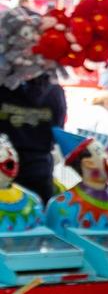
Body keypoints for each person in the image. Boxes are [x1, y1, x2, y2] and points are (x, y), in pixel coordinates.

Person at [0, 74, 66, 202]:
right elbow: (58, 129)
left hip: (5, 168)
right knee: (37, 217)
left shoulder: (3, 85)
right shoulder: (55, 91)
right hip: (39, 170)